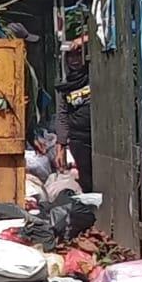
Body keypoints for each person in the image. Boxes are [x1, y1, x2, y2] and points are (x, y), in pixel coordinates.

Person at [54, 37, 93, 193]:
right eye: (70, 56)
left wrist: (82, 39)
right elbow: (62, 115)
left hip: (99, 139)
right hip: (79, 141)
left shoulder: (94, 74)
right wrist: (60, 146)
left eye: (78, 54)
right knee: (87, 180)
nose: (74, 60)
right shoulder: (66, 86)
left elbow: (101, 32)